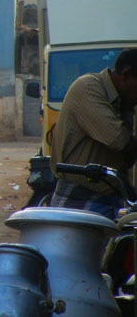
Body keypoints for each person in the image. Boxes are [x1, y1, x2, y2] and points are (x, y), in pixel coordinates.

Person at [50, 48, 137, 219]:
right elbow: (118, 139)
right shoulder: (88, 87)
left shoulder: (122, 101)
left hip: (113, 198)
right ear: (126, 74)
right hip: (80, 200)